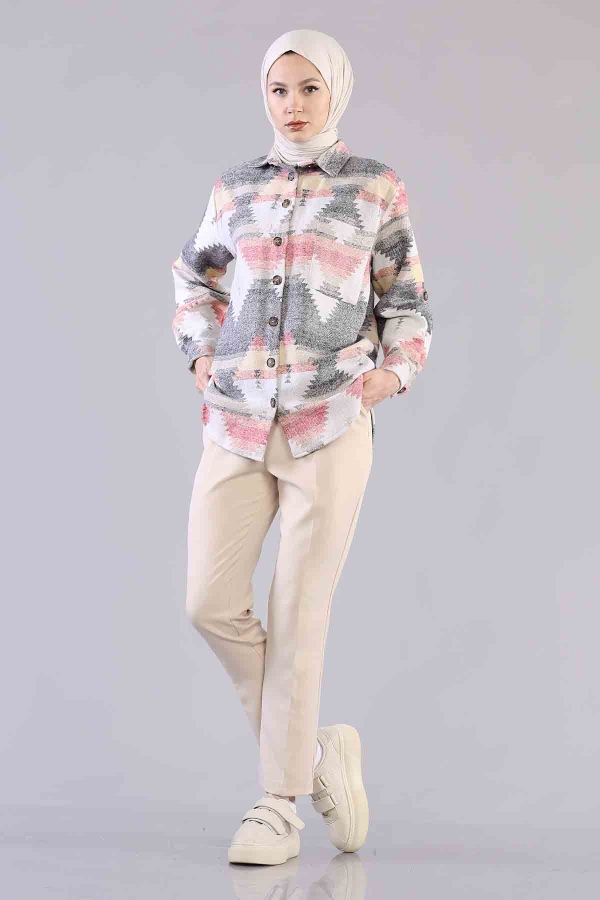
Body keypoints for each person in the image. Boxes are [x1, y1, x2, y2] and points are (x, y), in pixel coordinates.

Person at [171, 28, 433, 866]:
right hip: (238, 417)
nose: (292, 105)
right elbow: (196, 279)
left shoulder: (373, 186)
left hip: (330, 420)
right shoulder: (234, 188)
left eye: (309, 89)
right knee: (210, 602)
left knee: (297, 615)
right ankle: (316, 751)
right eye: (279, 89)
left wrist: (391, 375)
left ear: (336, 93)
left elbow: (407, 301)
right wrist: (202, 353)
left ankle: (277, 807)